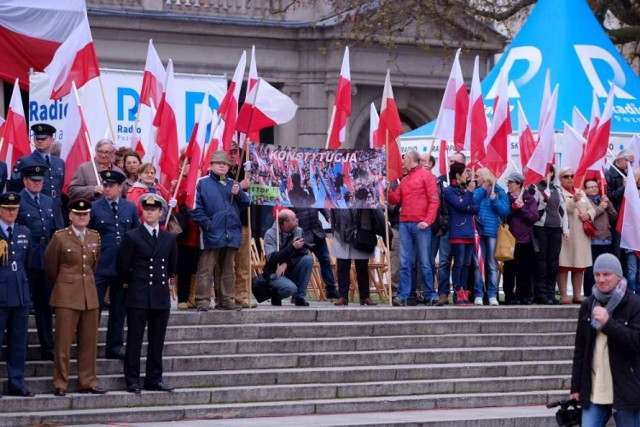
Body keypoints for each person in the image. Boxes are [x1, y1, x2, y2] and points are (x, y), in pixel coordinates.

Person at [45, 199, 106, 397]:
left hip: (89, 295)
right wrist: (64, 284)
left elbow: (93, 266)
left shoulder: (94, 237)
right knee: (63, 342)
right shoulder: (60, 237)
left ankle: (87, 381)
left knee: (89, 342)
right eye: (78, 214)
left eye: (85, 214)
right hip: (66, 295)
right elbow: (51, 266)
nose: (82, 217)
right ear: (70, 216)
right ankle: (60, 383)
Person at [117, 193, 178, 394]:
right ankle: (132, 379)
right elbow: (123, 266)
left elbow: (171, 267)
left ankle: (154, 378)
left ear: (161, 213)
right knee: (134, 340)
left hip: (159, 295)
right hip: (138, 294)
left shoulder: (168, 238)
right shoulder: (132, 236)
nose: (149, 212)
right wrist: (135, 283)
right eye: (147, 209)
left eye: (154, 210)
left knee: (157, 341)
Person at [570, 253, 640, 426]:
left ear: (618, 276)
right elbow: (580, 350)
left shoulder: (634, 304)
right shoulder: (588, 305)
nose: (601, 279)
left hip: (626, 392)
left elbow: (636, 341)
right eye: (597, 274)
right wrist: (576, 387)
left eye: (606, 274)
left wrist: (608, 323)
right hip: (594, 391)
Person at [89, 170, 140, 360]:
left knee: (119, 309)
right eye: (106, 185)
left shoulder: (129, 207)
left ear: (120, 187)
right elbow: (89, 236)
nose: (107, 189)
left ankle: (114, 346)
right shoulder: (95, 207)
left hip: (122, 266)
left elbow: (135, 234)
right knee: (94, 308)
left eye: (111, 186)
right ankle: (89, 343)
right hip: (100, 264)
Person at [192, 151, 249, 311]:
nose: (222, 166)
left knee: (228, 269)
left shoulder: (233, 183)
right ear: (210, 165)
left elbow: (246, 203)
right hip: (211, 233)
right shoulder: (201, 183)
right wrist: (207, 224)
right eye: (219, 163)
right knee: (206, 269)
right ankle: (203, 301)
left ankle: (226, 300)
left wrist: (239, 194)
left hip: (230, 232)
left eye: (225, 164)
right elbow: (194, 207)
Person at [17, 165, 63, 361]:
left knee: (45, 306)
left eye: (40, 180)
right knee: (23, 306)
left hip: (46, 257)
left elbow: (57, 228)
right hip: (25, 259)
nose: (37, 183)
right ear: (25, 180)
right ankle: (20, 347)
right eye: (33, 180)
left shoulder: (48, 200)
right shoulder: (17, 200)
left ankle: (48, 346)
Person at [388, 150, 440, 307]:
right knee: (406, 262)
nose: (402, 162)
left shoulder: (426, 176)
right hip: (406, 224)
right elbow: (395, 198)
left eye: (405, 160)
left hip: (419, 224)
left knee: (424, 262)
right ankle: (404, 295)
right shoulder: (406, 179)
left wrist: (428, 221)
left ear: (411, 160)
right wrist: (387, 187)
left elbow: (434, 200)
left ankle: (429, 294)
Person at [0, 192, 35, 397]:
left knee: (18, 342)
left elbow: (27, 264)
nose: (11, 212)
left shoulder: (25, 233)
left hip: (20, 295)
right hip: (1, 295)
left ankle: (16, 382)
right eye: (6, 209)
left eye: (14, 209)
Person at [331, 188, 385, 306]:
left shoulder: (367, 203)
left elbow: (378, 220)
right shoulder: (337, 198)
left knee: (362, 268)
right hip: (342, 236)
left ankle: (365, 296)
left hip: (361, 237)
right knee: (342, 268)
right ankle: (343, 296)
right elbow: (333, 218)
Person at [9, 123, 65, 226]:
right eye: (37, 138)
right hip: (33, 216)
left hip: (56, 215)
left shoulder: (59, 162)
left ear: (52, 139)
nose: (39, 141)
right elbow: (14, 190)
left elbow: (58, 187)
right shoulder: (24, 161)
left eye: (43, 138)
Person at [472, 168, 510, 306]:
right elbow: (472, 201)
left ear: (485, 177)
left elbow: (506, 211)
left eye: (478, 176)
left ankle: (492, 295)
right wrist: (482, 189)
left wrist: (495, 201)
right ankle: (478, 294)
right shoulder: (478, 191)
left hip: (493, 232)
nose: (476, 179)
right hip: (478, 231)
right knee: (478, 264)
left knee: (492, 265)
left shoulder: (499, 191)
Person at [532, 166, 569, 305]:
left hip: (555, 229)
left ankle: (551, 293)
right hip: (541, 227)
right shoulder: (535, 188)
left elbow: (563, 211)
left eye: (549, 171)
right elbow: (535, 210)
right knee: (541, 261)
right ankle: (540, 294)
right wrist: (543, 199)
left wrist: (566, 230)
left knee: (553, 262)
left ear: (552, 173)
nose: (546, 174)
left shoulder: (557, 189)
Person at [558, 167, 594, 304]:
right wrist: (573, 201)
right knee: (564, 264)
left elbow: (592, 209)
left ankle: (577, 294)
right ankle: (563, 295)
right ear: (560, 179)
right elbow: (564, 209)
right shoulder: (559, 192)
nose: (569, 179)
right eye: (566, 176)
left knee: (579, 266)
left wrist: (588, 215)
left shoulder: (582, 192)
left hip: (581, 235)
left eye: (571, 176)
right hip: (567, 233)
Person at [444, 162, 479, 306]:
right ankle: (457, 292)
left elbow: (476, 207)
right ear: (458, 175)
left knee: (466, 263)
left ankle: (464, 291)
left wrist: (467, 202)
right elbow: (462, 206)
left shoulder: (464, 190)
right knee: (458, 263)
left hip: (469, 231)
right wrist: (469, 196)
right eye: (465, 173)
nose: (468, 176)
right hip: (457, 231)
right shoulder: (450, 191)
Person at [502, 172, 539, 305]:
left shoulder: (529, 199)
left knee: (524, 270)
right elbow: (503, 214)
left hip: (525, 240)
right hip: (509, 240)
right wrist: (513, 207)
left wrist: (522, 208)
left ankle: (523, 295)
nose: (508, 185)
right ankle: (509, 296)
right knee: (509, 270)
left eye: (511, 182)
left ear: (519, 184)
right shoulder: (505, 198)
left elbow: (533, 218)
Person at [263, 209, 313, 306]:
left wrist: (286, 263)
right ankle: (275, 295)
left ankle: (299, 297)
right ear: (286, 223)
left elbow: (302, 253)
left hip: (291, 269)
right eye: (294, 219)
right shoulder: (270, 234)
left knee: (307, 260)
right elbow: (272, 258)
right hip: (275, 271)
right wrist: (292, 247)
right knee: (291, 288)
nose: (297, 220)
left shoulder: (298, 230)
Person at [228, 143, 257, 308]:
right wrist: (241, 185)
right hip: (227, 224)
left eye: (235, 152)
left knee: (243, 263)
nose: (232, 155)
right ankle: (226, 296)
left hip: (244, 222)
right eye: (230, 152)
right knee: (226, 263)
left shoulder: (246, 169)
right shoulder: (219, 173)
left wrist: (251, 176)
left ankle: (242, 295)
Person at [436, 151, 465, 305]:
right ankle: (443, 293)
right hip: (447, 229)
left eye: (455, 161)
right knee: (444, 262)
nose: (451, 163)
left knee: (461, 263)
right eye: (450, 160)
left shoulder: (467, 183)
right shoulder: (441, 180)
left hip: (462, 229)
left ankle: (460, 293)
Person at [583, 178, 618, 297]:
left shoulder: (603, 199)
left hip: (606, 239)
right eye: (591, 187)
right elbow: (589, 216)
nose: (594, 189)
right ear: (585, 189)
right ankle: (589, 293)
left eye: (595, 186)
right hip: (592, 239)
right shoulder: (585, 201)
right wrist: (602, 207)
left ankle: (602, 291)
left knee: (604, 267)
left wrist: (608, 205)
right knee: (591, 268)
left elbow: (614, 217)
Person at [605, 149, 633, 262]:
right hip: (616, 218)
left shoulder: (627, 174)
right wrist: (623, 187)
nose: (631, 165)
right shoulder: (609, 175)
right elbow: (610, 196)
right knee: (616, 248)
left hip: (626, 217)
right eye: (630, 162)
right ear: (621, 160)